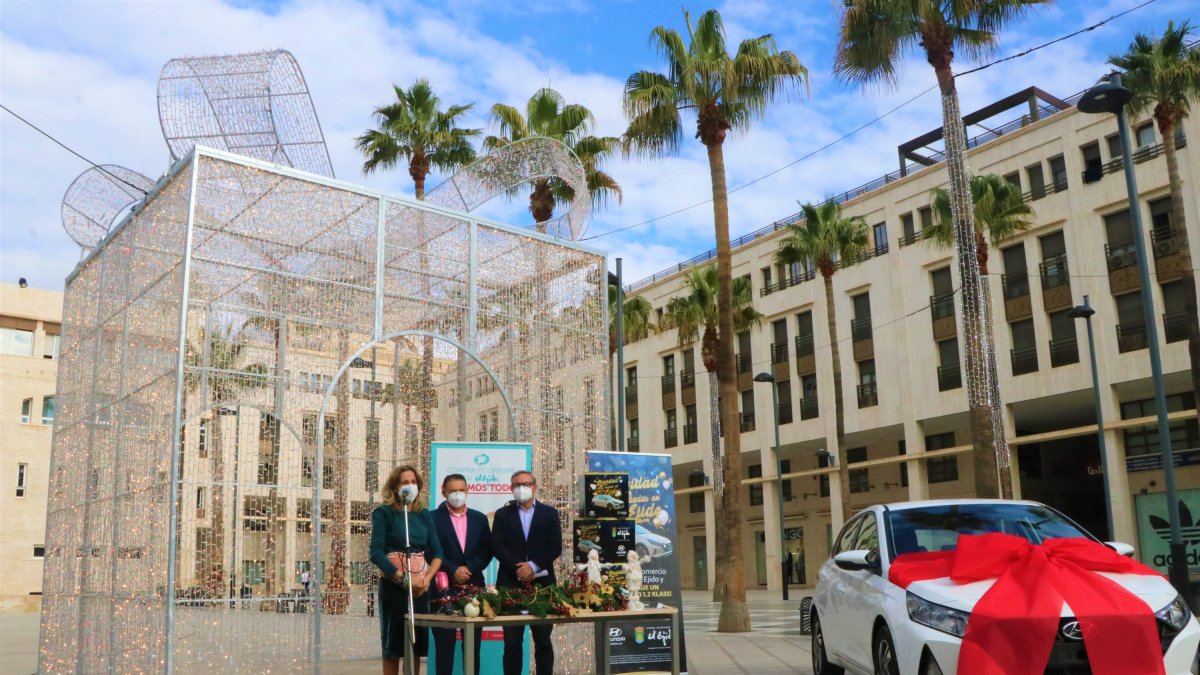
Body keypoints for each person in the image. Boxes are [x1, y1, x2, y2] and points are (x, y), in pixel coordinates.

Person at [371, 465, 445, 675]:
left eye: (413, 482)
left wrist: (427, 579)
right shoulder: (384, 513)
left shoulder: (424, 515)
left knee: (415, 643)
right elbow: (376, 553)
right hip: (395, 587)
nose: (410, 485)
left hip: (420, 588)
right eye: (405, 482)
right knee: (393, 645)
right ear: (395, 486)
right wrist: (404, 581)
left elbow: (437, 553)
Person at [491, 470, 561, 675]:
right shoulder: (502, 514)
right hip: (510, 585)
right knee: (512, 643)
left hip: (543, 586)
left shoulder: (550, 513)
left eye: (525, 484)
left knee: (543, 641)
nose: (521, 488)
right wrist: (519, 568)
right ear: (511, 489)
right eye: (516, 485)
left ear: (534, 487)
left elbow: (555, 546)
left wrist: (533, 566)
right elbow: (497, 546)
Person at [431, 473, 491, 675]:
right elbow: (430, 550)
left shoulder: (480, 518)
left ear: (468, 490)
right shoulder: (431, 518)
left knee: (472, 646)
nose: (458, 494)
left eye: (461, 490)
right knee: (444, 646)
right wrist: (452, 569)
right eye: (453, 491)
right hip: (442, 588)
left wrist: (470, 568)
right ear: (443, 492)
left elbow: (487, 550)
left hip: (474, 586)